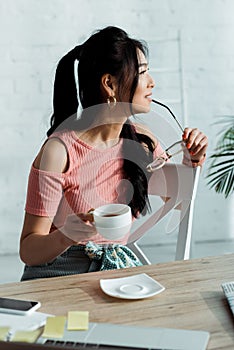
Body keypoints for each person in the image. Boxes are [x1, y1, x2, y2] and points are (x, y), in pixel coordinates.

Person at [19, 26, 208, 281]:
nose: (152, 82)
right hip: (58, 273)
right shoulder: (59, 151)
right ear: (110, 84)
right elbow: (29, 251)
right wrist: (65, 235)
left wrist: (191, 159)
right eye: (142, 73)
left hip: (113, 273)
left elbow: (176, 201)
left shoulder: (141, 142)